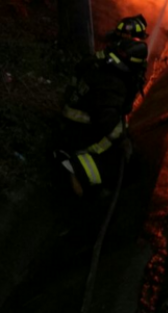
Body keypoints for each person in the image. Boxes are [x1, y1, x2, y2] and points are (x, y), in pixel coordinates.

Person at [55, 15, 149, 197]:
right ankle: (77, 173)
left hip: (72, 126)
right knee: (127, 164)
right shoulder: (113, 82)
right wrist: (123, 139)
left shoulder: (101, 62)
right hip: (80, 135)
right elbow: (107, 121)